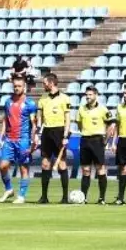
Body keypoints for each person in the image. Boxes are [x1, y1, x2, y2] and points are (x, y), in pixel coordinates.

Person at [0, 75, 39, 204]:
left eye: (19, 86)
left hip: (23, 139)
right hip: (9, 139)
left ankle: (21, 195)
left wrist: (34, 139)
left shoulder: (30, 103)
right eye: (15, 86)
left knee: (23, 168)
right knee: (3, 166)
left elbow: (34, 123)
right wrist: (1, 136)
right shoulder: (8, 102)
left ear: (24, 87)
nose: (16, 88)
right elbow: (5, 119)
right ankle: (9, 189)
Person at [35, 73, 72, 205]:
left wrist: (66, 135)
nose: (43, 85)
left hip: (59, 131)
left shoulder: (65, 98)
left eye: (44, 83)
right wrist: (38, 132)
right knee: (45, 164)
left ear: (51, 83)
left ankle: (64, 197)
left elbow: (67, 119)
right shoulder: (43, 98)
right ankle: (44, 196)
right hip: (47, 132)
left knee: (62, 164)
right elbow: (39, 117)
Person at [75, 86, 112, 204]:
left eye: (90, 94)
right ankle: (83, 198)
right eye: (86, 94)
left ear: (96, 95)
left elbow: (111, 125)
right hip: (85, 140)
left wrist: (105, 140)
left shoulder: (103, 109)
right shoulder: (81, 109)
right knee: (85, 170)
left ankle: (101, 198)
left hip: (97, 140)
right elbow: (79, 124)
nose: (88, 97)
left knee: (100, 169)